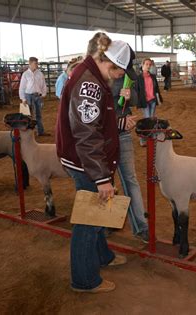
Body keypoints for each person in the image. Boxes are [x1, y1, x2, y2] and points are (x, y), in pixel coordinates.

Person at [56, 32, 137, 293]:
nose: (118, 77)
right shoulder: (89, 84)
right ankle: (84, 279)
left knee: (97, 211)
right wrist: (101, 178)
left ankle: (103, 256)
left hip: (90, 160)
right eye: (118, 72)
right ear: (110, 63)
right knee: (88, 221)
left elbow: (95, 122)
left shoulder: (91, 76)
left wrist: (120, 124)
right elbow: (86, 133)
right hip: (87, 163)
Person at [111, 73, 149, 243]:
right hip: (102, 135)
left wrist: (129, 95)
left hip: (123, 133)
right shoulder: (98, 76)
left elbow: (136, 98)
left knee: (130, 179)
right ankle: (105, 223)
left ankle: (141, 226)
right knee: (104, 181)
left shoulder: (127, 74)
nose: (122, 70)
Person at [136, 58, 162, 146]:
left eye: (149, 65)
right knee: (147, 120)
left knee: (151, 119)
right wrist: (138, 102)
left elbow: (157, 89)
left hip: (153, 100)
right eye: (146, 64)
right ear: (142, 65)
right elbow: (137, 90)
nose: (148, 66)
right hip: (145, 101)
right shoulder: (138, 78)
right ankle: (143, 139)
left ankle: (151, 138)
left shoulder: (153, 76)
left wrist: (159, 99)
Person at [19, 57, 48, 136]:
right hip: (28, 96)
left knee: (38, 114)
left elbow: (43, 85)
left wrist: (43, 94)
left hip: (38, 96)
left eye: (37, 63)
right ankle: (29, 133)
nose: (37, 65)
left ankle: (40, 131)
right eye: (35, 63)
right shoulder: (25, 74)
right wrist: (23, 98)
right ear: (30, 64)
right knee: (28, 115)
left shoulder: (40, 73)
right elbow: (22, 87)